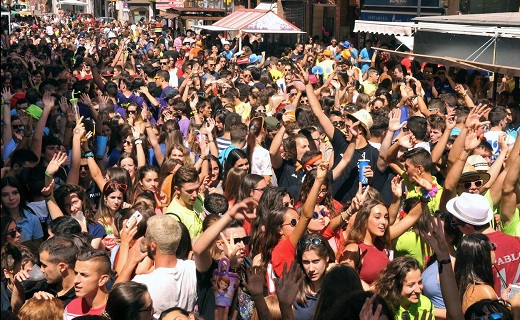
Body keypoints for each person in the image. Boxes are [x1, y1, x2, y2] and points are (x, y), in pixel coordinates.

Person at [116, 215, 197, 319]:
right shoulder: (192, 268)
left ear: (153, 246)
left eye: (146, 238)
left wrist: (131, 260)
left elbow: (113, 302)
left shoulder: (143, 283)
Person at [446, 192, 520, 295]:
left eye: (455, 224)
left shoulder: (471, 252)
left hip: (492, 309)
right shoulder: (517, 241)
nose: (456, 227)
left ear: (468, 227)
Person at [293, 233, 335, 320]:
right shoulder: (293, 287)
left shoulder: (337, 285)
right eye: (306, 262)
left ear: (326, 258)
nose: (311, 269)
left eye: (315, 261)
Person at [63, 249, 111, 319]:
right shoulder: (71, 308)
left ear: (103, 280)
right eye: (76, 273)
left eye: (84, 275)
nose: (76, 280)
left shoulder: (117, 310)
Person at [1, 177, 44, 247]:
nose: (11, 198)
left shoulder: (33, 219)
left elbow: (38, 249)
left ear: (20, 194)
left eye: (15, 193)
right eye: (5, 195)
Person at [165, 165, 204, 238]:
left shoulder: (199, 198)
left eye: (197, 189)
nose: (195, 194)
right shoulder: (173, 217)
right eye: (190, 191)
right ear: (177, 189)